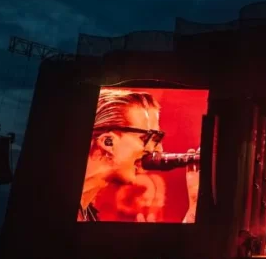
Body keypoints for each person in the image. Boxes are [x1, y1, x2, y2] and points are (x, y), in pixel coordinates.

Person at [79, 89, 199, 223]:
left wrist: (193, 212)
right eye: (147, 137)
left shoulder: (87, 213)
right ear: (108, 141)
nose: (158, 149)